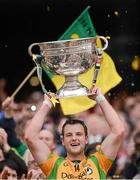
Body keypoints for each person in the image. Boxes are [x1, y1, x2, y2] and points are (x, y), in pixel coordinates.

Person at [24, 86, 125, 179]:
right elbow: (30, 137)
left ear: (86, 139)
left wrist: (100, 98)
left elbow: (118, 131)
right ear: (62, 141)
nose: (74, 138)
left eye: (79, 134)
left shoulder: (99, 163)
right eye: (69, 135)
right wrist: (47, 103)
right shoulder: (53, 165)